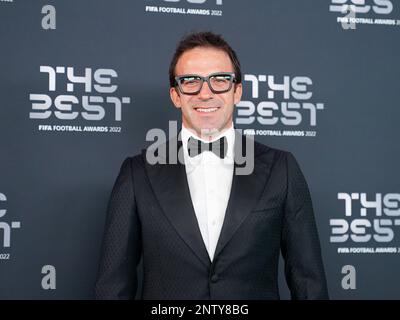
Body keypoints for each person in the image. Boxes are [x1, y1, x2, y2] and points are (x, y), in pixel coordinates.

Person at [94, 31, 329, 300]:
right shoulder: (137, 173)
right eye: (191, 81)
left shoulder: (282, 169)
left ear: (237, 91)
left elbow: (309, 283)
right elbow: (112, 288)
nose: (205, 93)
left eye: (219, 80)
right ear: (175, 95)